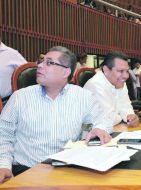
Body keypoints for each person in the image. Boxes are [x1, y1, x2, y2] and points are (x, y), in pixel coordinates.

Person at [0, 46, 113, 183]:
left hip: (68, 170)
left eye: (48, 62)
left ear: (66, 72)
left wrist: (100, 128)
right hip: (26, 171)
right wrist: (4, 166)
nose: (39, 66)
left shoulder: (83, 97)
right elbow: (3, 135)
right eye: (41, 61)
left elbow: (104, 119)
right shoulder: (20, 97)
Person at [84, 51, 139, 127]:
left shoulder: (120, 81)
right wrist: (123, 116)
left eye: (127, 71)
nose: (126, 76)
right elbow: (108, 119)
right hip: (90, 135)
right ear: (106, 70)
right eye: (120, 71)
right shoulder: (96, 85)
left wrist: (130, 116)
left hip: (113, 129)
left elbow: (126, 106)